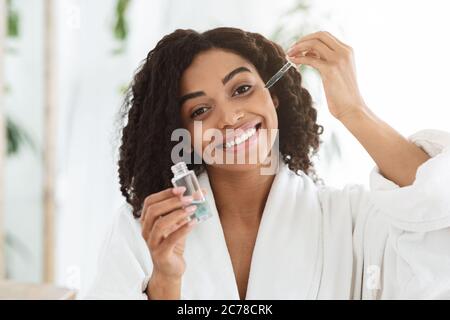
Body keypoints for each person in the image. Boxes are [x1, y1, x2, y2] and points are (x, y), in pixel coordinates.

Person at [85, 27, 450, 300]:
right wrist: (166, 279)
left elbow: (436, 218)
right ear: (183, 133)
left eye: (241, 89)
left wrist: (354, 111)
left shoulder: (349, 220)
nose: (230, 117)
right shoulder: (144, 232)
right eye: (200, 110)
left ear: (272, 95)